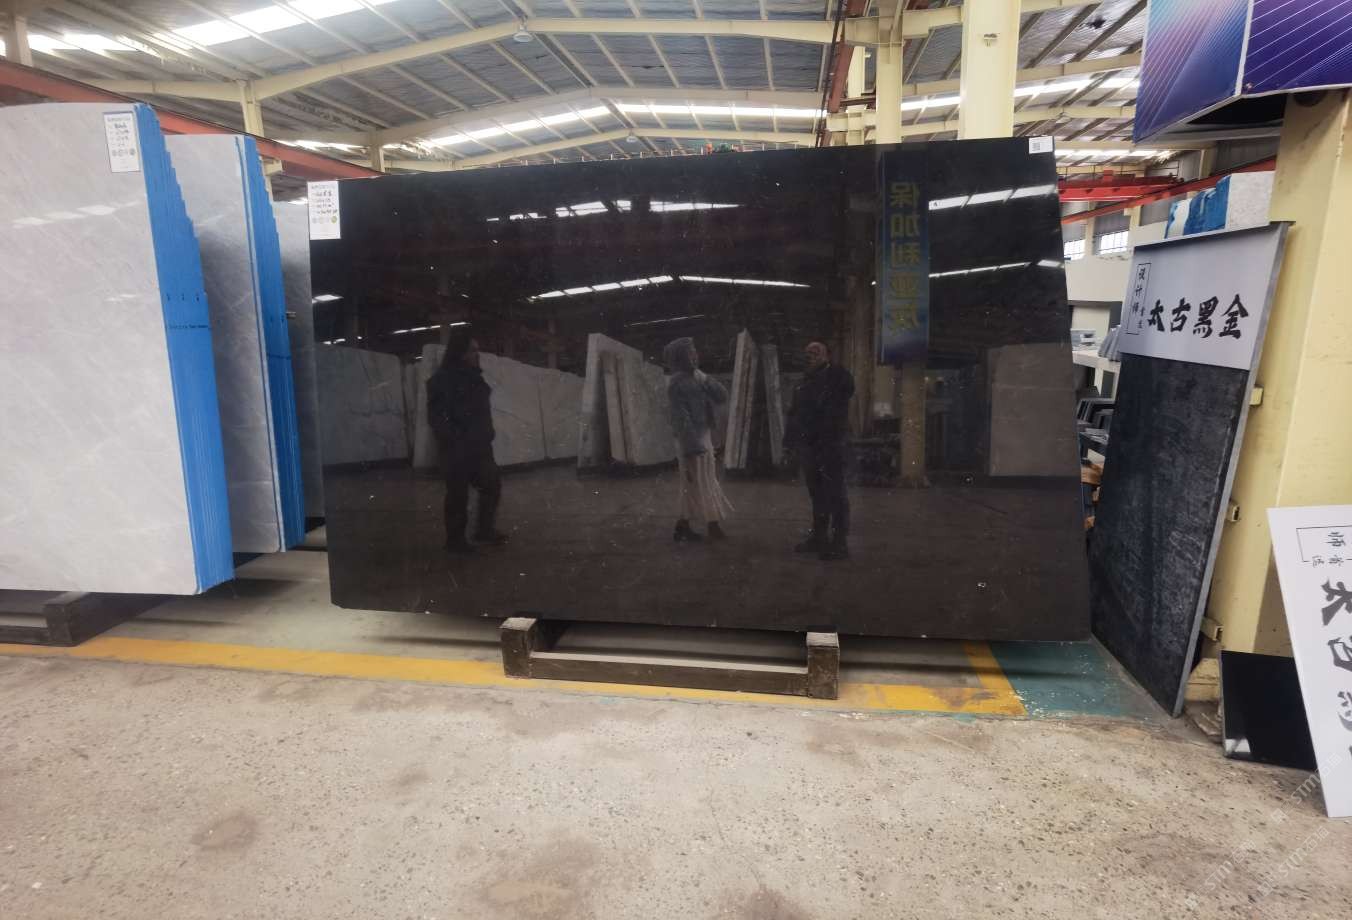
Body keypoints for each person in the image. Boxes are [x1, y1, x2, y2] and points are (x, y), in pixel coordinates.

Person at [426, 330, 508, 554]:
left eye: (477, 350)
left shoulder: (475, 377)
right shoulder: (441, 380)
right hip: (457, 449)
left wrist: (487, 433)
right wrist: (456, 439)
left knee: (492, 485)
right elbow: (437, 418)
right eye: (472, 350)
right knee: (457, 495)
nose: (476, 354)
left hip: (480, 448)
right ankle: (455, 542)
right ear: (460, 352)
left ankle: (484, 530)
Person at [783, 340, 854, 561]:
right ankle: (819, 537)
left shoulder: (838, 376)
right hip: (810, 448)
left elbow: (848, 388)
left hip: (831, 446)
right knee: (817, 494)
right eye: (808, 352)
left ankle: (840, 542)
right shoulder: (802, 384)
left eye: (816, 351)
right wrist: (789, 444)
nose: (811, 355)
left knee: (836, 494)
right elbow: (793, 414)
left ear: (827, 356)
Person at [663, 337, 734, 543]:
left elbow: (722, 396)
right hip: (691, 440)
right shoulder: (676, 384)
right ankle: (712, 525)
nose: (695, 356)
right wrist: (692, 446)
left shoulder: (697, 377)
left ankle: (683, 526)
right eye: (690, 353)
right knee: (701, 482)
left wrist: (704, 378)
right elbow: (681, 418)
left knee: (697, 483)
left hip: (702, 436)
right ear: (681, 357)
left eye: (695, 352)